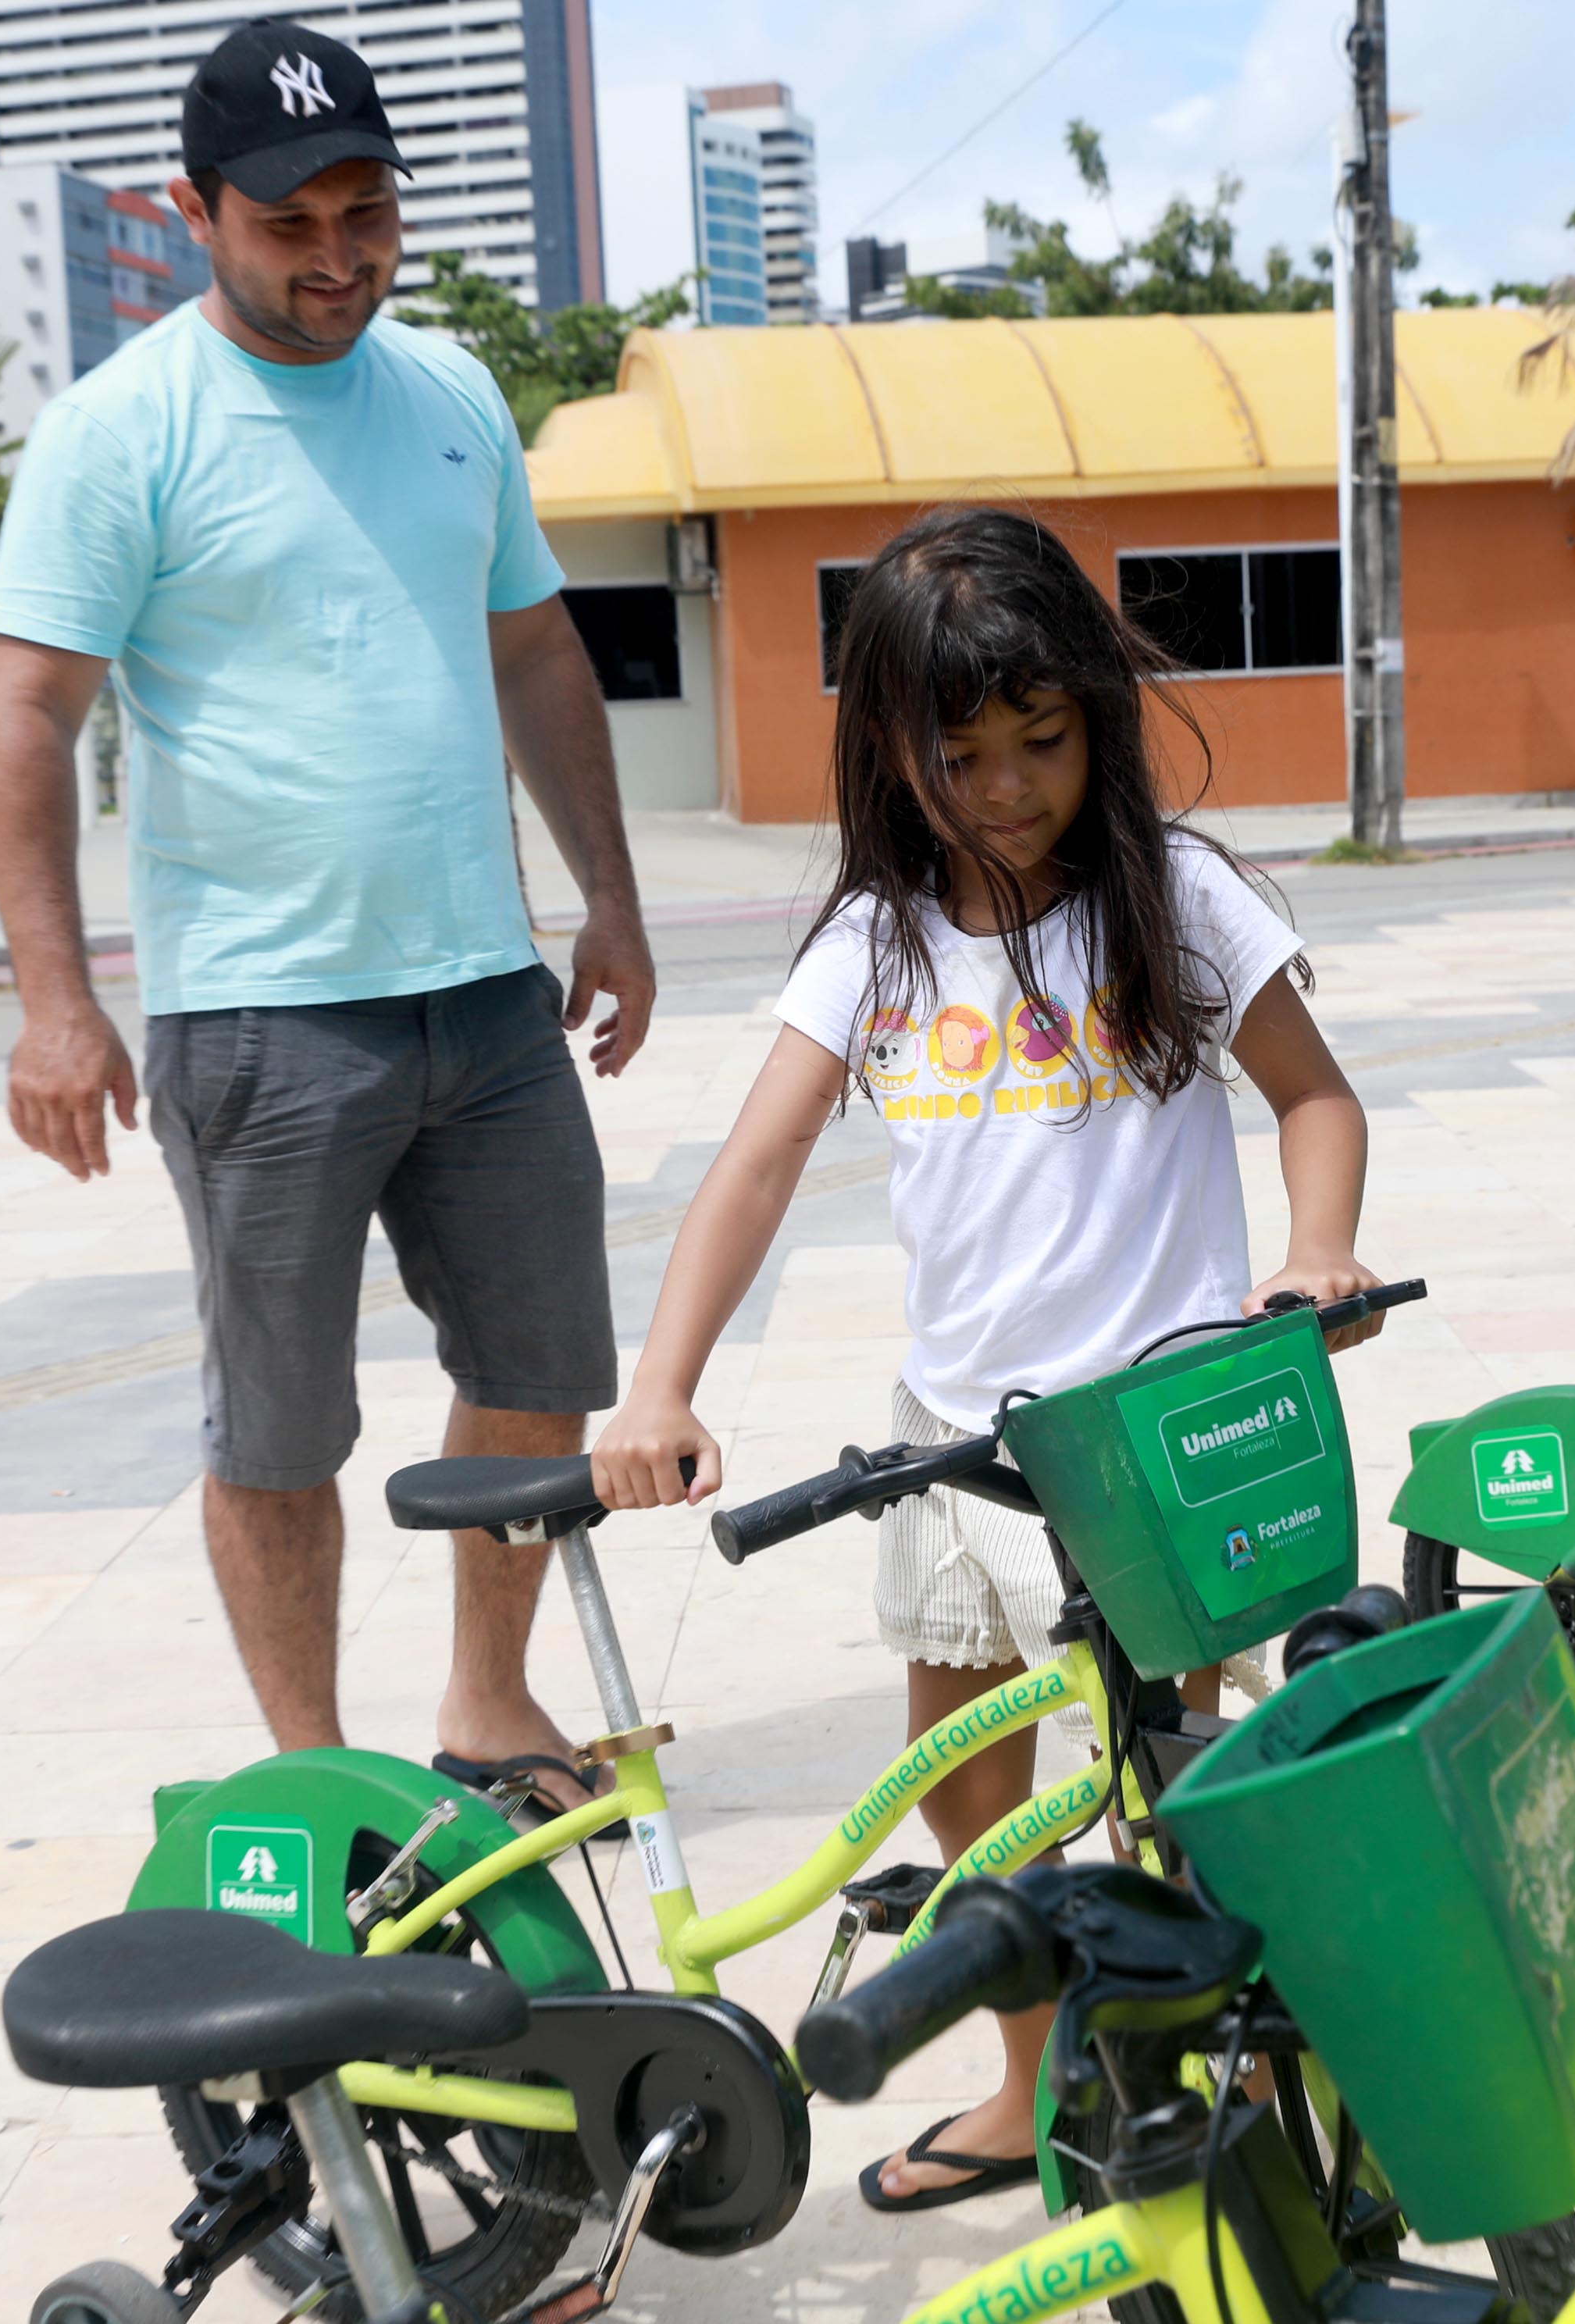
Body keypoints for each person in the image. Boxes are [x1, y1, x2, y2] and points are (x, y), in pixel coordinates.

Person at [587, 507, 1383, 2211]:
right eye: (963, 756)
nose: (1010, 786)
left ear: (1097, 716)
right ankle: (1030, 2082)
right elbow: (753, 1167)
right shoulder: (873, 947)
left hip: (1150, 1438)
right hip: (946, 1440)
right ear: (891, 750)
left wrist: (1315, 1247)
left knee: (1170, 1793)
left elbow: (1315, 1097)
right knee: (969, 1787)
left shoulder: (1177, 897)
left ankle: (1229, 2085)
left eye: (1044, 739)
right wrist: (660, 1381)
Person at [0, 17, 656, 1813]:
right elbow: (24, 711)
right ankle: (314, 1778)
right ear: (193, 212)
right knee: (279, 1427)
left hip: (488, 996)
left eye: (368, 215)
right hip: (258, 1012)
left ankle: (488, 1710)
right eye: (290, 225)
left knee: (539, 1371)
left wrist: (608, 901)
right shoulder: (122, 431)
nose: (338, 257)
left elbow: (534, 650)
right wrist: (55, 1003)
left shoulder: (453, 397)